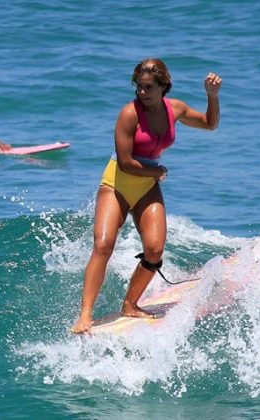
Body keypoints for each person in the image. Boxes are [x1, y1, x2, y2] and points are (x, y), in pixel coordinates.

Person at [71, 58, 221, 334]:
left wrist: (212, 97)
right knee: (103, 245)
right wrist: (157, 170)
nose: (143, 92)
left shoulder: (174, 109)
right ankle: (84, 316)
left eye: (149, 87)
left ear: (164, 86)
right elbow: (126, 162)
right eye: (139, 86)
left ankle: (130, 304)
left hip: (146, 184)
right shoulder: (129, 113)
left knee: (154, 250)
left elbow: (209, 124)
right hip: (117, 181)